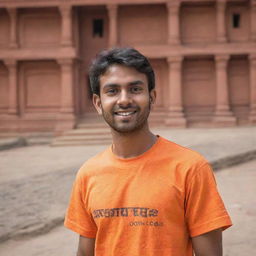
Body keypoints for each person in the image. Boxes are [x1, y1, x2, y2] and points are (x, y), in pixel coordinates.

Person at [64, 47, 232, 256]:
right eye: (112, 91)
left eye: (135, 89)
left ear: (152, 97)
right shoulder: (88, 174)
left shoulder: (190, 168)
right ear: (98, 103)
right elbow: (85, 251)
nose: (124, 99)